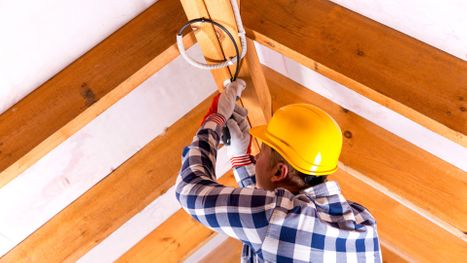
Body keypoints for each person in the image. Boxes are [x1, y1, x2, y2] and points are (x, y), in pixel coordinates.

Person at [176, 80, 381, 262]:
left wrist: (215, 120)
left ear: (279, 172)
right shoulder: (362, 220)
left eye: (261, 152)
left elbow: (189, 189)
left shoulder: (275, 216)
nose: (255, 158)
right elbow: (271, 222)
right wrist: (240, 161)